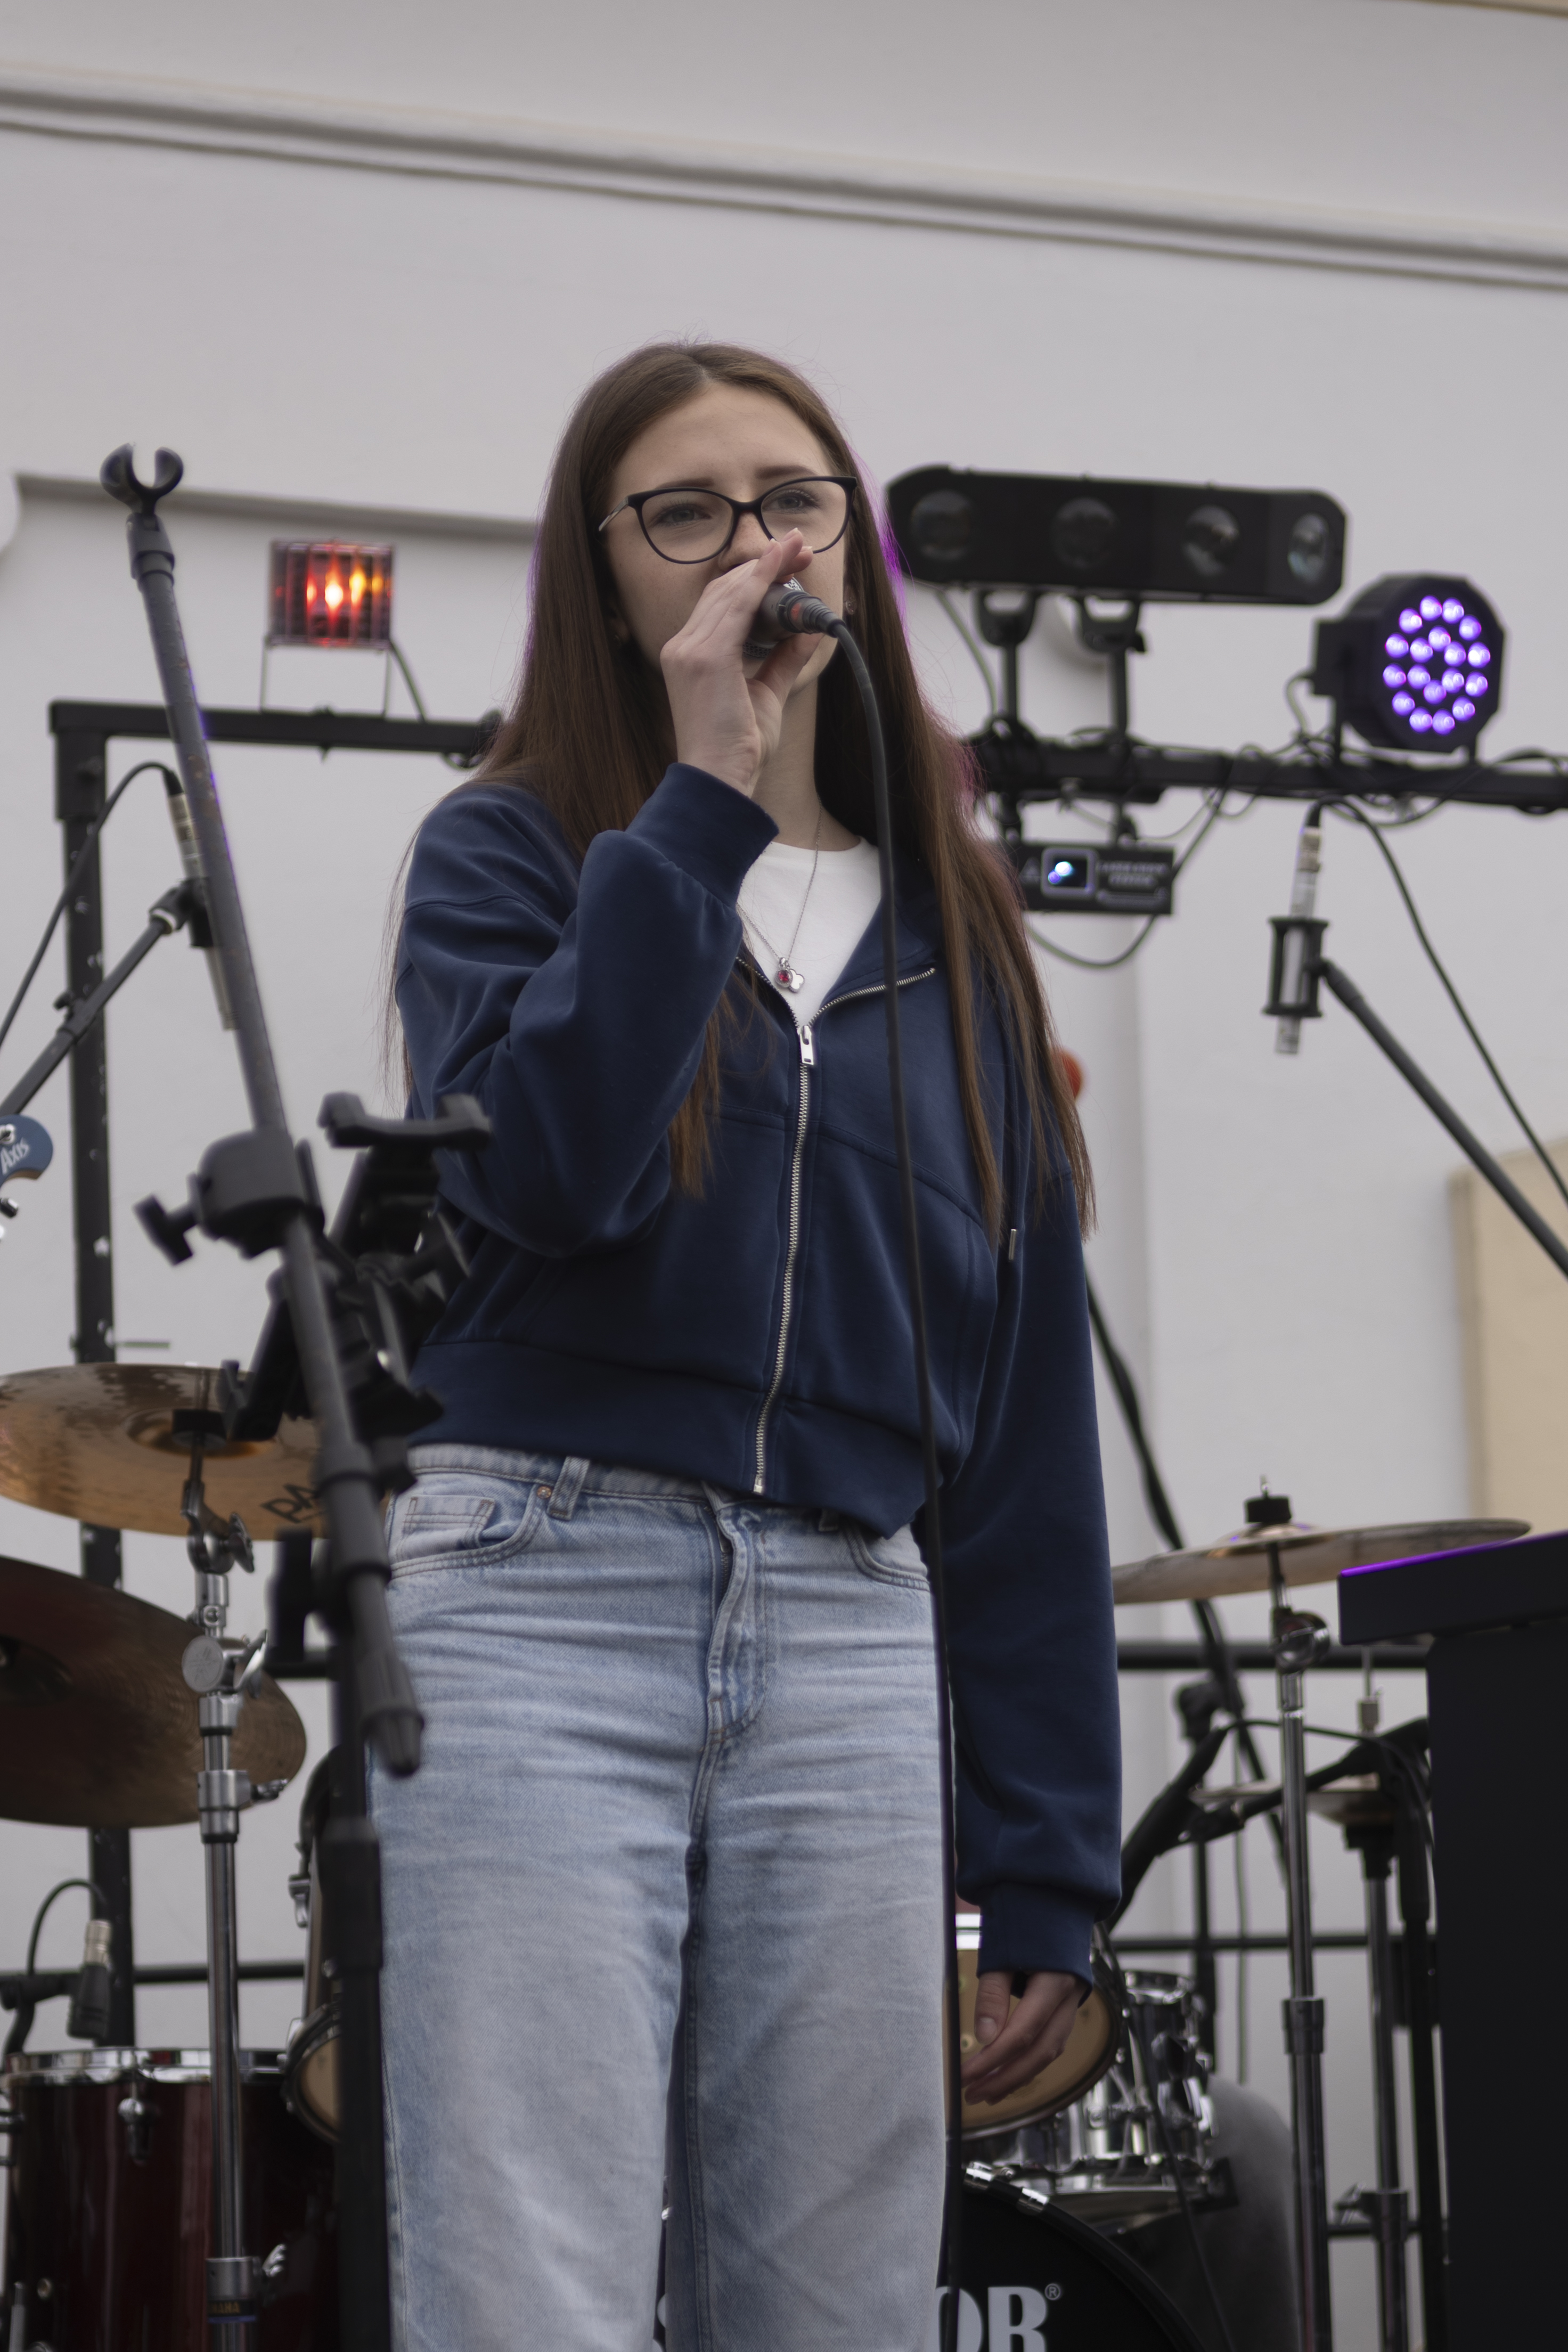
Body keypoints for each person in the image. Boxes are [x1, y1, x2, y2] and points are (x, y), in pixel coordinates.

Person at [374, 340, 1121, 2352]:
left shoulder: (960, 939)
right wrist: (700, 800)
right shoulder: (515, 853)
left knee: (836, 2302)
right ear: (607, 574)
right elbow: (546, 1177)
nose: (751, 546)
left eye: (792, 501)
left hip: (855, 1626)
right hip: (541, 1590)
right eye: (685, 514)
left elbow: (1027, 1428)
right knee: (528, 2281)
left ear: (850, 549)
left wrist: (1050, 1863)